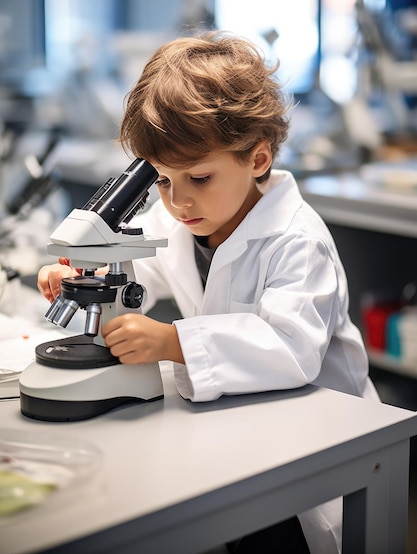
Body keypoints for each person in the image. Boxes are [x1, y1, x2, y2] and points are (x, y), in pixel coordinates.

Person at [38, 31, 379, 554]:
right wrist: (81, 278)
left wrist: (172, 342)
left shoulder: (296, 241)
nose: (178, 201)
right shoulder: (188, 212)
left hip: (314, 440)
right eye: (163, 181)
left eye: (198, 177)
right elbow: (142, 275)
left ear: (258, 159)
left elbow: (291, 349)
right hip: (240, 428)